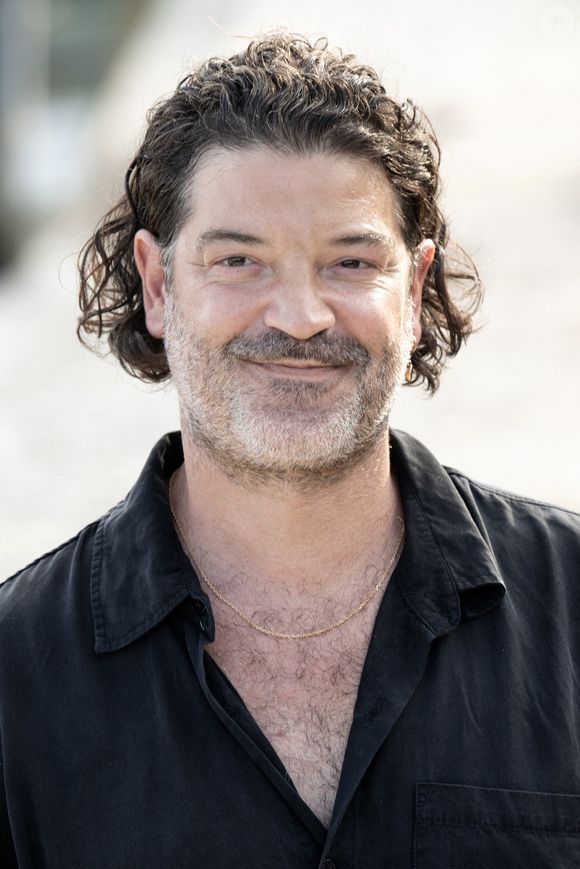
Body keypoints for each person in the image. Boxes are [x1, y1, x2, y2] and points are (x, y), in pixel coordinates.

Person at [1, 32, 579, 869]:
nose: (301, 316)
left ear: (414, 290)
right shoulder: (17, 671)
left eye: (351, 261)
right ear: (159, 285)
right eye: (239, 259)